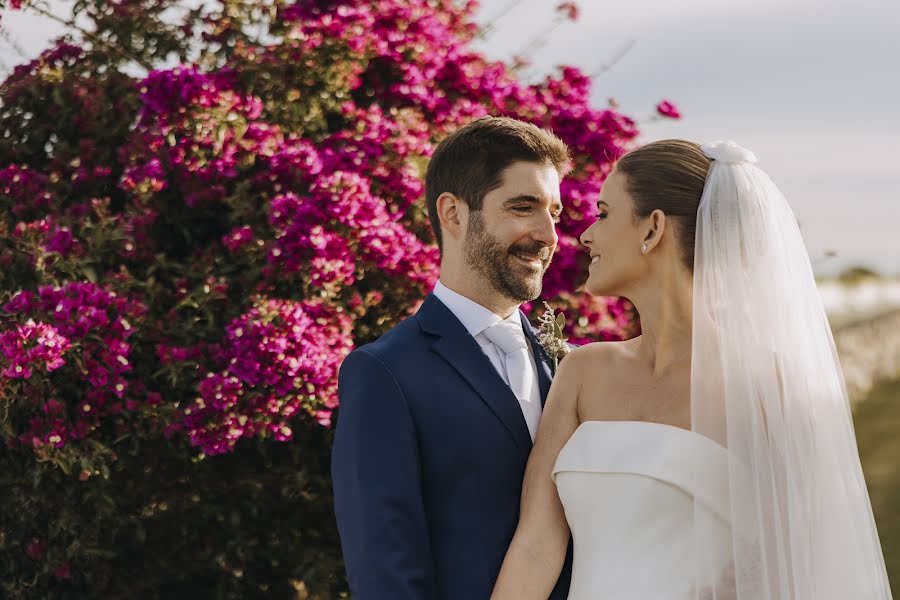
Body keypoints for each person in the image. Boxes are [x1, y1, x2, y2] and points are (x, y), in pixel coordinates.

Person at [491, 139, 893, 599]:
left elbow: (796, 565)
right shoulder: (582, 372)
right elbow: (536, 547)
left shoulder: (767, 386)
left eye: (603, 214)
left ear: (653, 229)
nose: (586, 235)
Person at [331, 116, 573, 599]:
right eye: (523, 207)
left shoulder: (575, 366)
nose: (548, 234)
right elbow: (386, 574)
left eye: (555, 212)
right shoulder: (385, 373)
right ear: (454, 213)